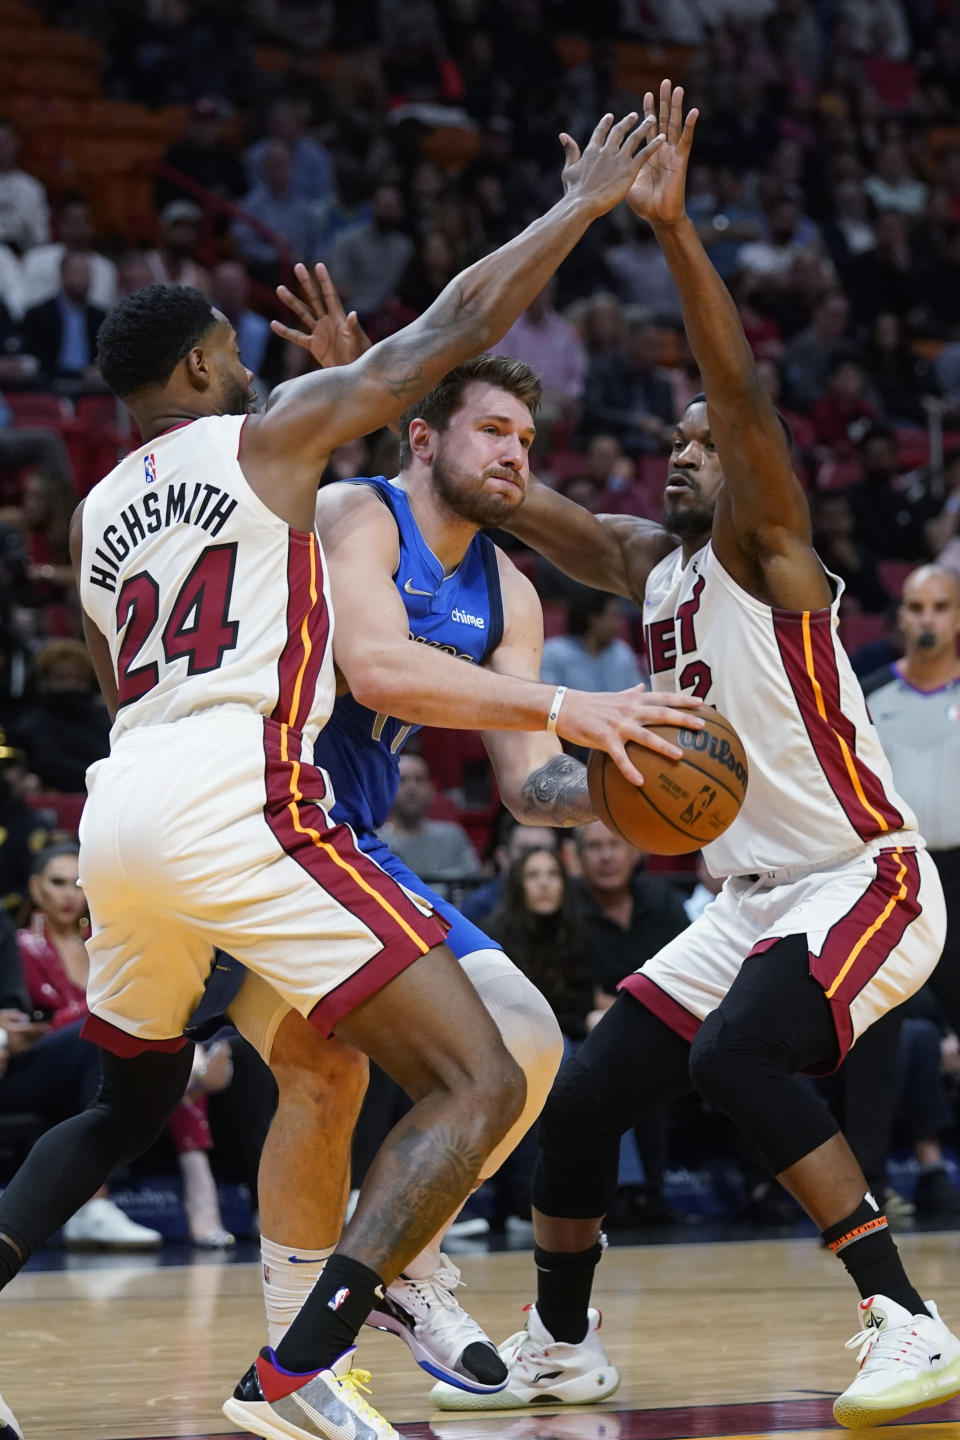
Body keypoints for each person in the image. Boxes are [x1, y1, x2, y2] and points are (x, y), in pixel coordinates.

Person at [0, 108, 677, 1440]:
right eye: (233, 353)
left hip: (124, 803)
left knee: (127, 1102)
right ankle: (301, 1362)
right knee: (479, 1074)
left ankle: (355, 1306)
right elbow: (457, 329)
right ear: (208, 361)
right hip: (243, 797)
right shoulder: (271, 440)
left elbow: (117, 663)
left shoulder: (92, 516)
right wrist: (582, 205)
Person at [431, 83, 957, 1430]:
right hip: (750, 901)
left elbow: (738, 386)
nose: (682, 454)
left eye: (702, 447)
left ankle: (905, 1317)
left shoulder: (776, 556)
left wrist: (671, 234)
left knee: (737, 1062)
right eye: (667, 444)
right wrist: (398, 398)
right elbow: (512, 495)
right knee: (586, 1091)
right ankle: (563, 1344)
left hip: (864, 878)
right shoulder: (649, 570)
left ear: (753, 468)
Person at [216, 340, 701, 1392]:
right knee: (311, 1069)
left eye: (527, 440)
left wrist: (624, 790)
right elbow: (376, 665)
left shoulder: (511, 593)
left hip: (361, 845)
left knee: (526, 1040)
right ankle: (321, 1332)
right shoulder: (358, 513)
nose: (515, 455)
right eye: (493, 430)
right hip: (265, 824)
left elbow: (530, 786)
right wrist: (577, 707)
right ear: (425, 437)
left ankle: (401, 1264)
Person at [17, 843, 233, 1248]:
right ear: (34, 887)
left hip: (96, 1056)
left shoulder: (102, 940)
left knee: (174, 1038)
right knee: (114, 1033)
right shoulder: (20, 945)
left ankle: (241, 1193)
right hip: (34, 1062)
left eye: (76, 884)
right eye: (57, 883)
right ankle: (98, 1203)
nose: (68, 894)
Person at [376, 753, 482, 891]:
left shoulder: (453, 836)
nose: (411, 788)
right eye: (402, 780)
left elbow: (475, 882)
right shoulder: (376, 842)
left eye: (419, 780)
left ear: (431, 790)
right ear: (387, 790)